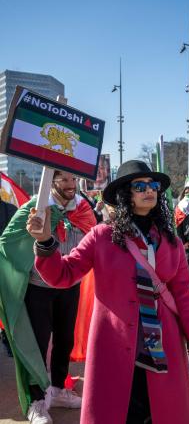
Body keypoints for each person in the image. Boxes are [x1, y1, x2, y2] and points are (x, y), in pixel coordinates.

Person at [26, 160, 189, 424]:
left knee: (160, 411)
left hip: (164, 341)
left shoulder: (171, 241)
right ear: (125, 195)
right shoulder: (101, 236)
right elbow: (62, 275)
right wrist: (44, 243)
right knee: (122, 410)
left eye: (152, 185)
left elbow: (182, 294)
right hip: (115, 342)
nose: (149, 190)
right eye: (139, 186)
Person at [0, 171, 97, 424]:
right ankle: (37, 401)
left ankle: (59, 389)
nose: (70, 184)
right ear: (51, 181)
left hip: (70, 286)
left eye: (73, 179)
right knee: (38, 344)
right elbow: (8, 241)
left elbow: (94, 238)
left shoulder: (84, 208)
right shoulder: (36, 206)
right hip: (38, 287)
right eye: (64, 179)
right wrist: (31, 242)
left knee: (65, 340)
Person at [0, 193, 17, 358]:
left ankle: (8, 338)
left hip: (7, 268)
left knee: (8, 307)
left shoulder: (11, 209)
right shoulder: (11, 209)